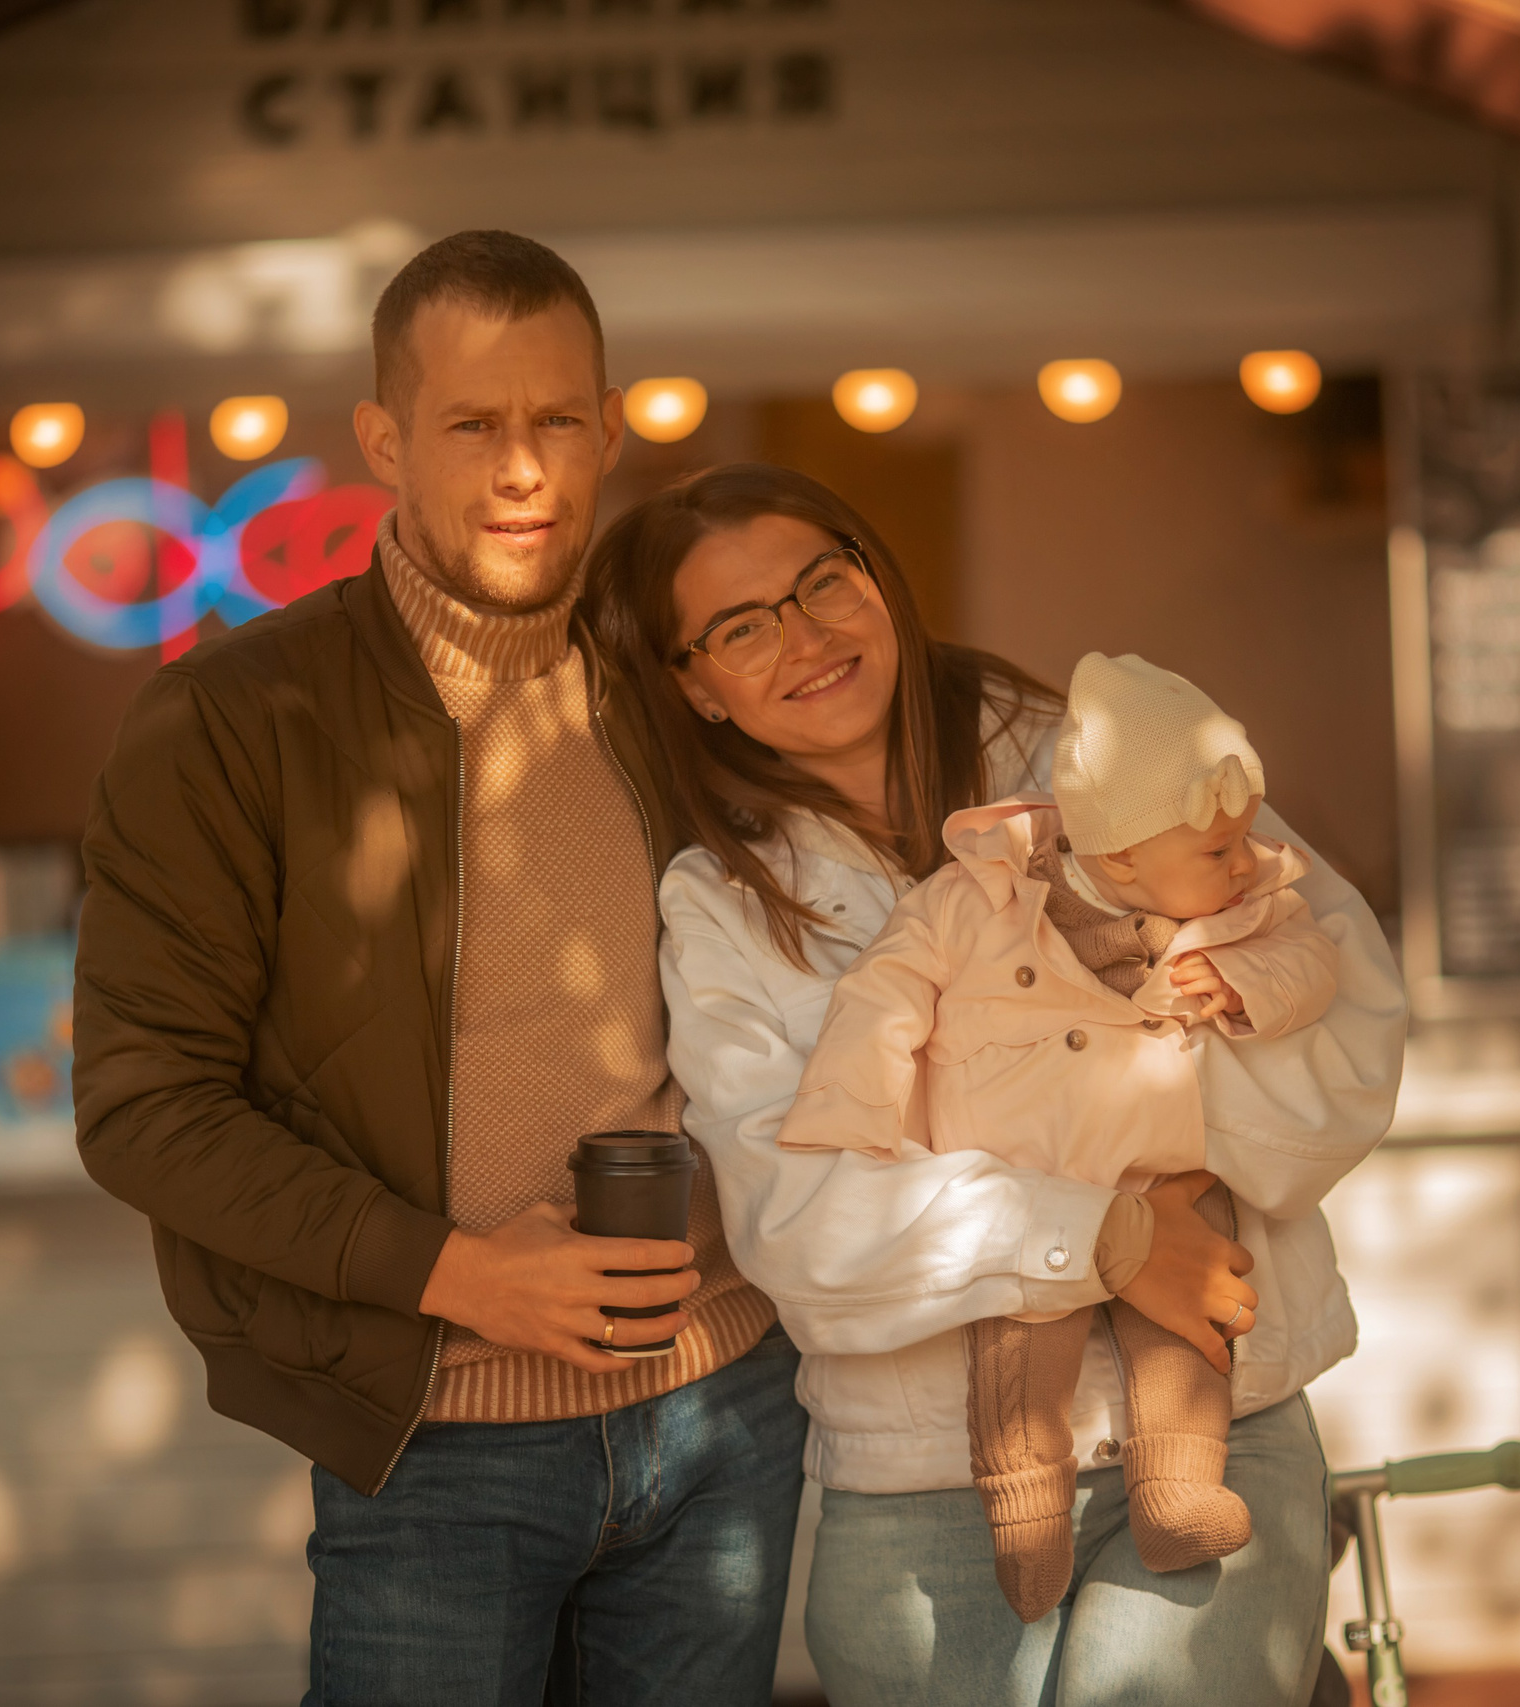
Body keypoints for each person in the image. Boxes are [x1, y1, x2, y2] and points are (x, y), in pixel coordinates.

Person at [73, 232, 805, 1706]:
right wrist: (464, 1274)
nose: (523, 468)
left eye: (556, 421)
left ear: (611, 426)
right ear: (386, 441)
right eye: (474, 424)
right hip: (438, 1441)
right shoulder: (233, 722)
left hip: (727, 1405)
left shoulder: (692, 685)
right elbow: (144, 1106)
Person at [582, 464, 1407, 1706]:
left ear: (877, 573)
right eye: (742, 627)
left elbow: (1345, 1028)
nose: (806, 636)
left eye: (824, 580)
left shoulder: (1104, 756)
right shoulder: (720, 904)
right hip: (925, 1491)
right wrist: (1115, 1235)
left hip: (1220, 1420)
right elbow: (798, 1221)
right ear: (693, 684)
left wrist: (1126, 1125)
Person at [775, 651, 1342, 1620]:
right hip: (1025, 1175)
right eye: (1220, 852)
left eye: (1245, 844)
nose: (1246, 864)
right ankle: (1025, 1513)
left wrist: (1248, 987)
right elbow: (887, 993)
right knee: (1021, 1353)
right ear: (1121, 857)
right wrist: (853, 1104)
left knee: (1188, 1333)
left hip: (1165, 1168)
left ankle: (1176, 1489)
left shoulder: (1235, 904)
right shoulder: (978, 894)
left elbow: (1312, 954)